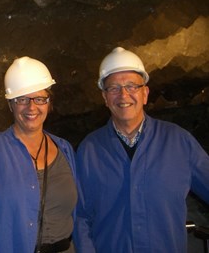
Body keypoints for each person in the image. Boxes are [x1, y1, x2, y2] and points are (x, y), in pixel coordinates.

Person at [74, 47, 209, 253]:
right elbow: (81, 216)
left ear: (145, 93)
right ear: (105, 98)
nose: (123, 94)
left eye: (131, 86)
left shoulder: (179, 141)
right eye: (114, 88)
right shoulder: (89, 150)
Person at [0, 56, 78, 253]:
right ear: (10, 104)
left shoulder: (64, 149)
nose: (32, 107)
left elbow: (77, 217)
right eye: (22, 99)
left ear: (49, 103)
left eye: (39, 99)